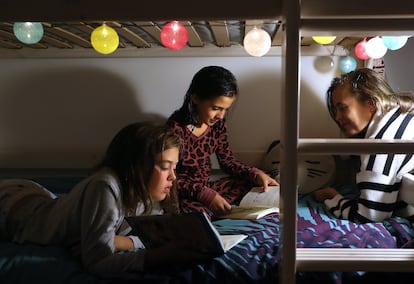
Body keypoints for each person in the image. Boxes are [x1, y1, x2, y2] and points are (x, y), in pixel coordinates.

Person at [0, 122, 209, 275]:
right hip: (13, 209)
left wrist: (121, 242)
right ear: (137, 167)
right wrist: (154, 256)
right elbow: (98, 263)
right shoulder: (105, 186)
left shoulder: (153, 191)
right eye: (165, 167)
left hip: (45, 199)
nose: (173, 176)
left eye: (174, 167)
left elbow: (153, 238)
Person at [167, 65, 278, 218]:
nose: (220, 115)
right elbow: (169, 179)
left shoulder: (217, 125)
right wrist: (204, 194)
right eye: (216, 108)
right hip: (184, 192)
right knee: (195, 214)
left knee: (261, 179)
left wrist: (255, 174)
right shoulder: (175, 130)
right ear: (196, 98)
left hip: (208, 187)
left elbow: (228, 162)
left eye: (225, 109)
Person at [313, 67, 414, 223]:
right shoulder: (404, 116)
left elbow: (368, 216)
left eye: (342, 108)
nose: (338, 117)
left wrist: (332, 196)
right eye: (335, 110)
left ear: (371, 103)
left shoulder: (381, 144)